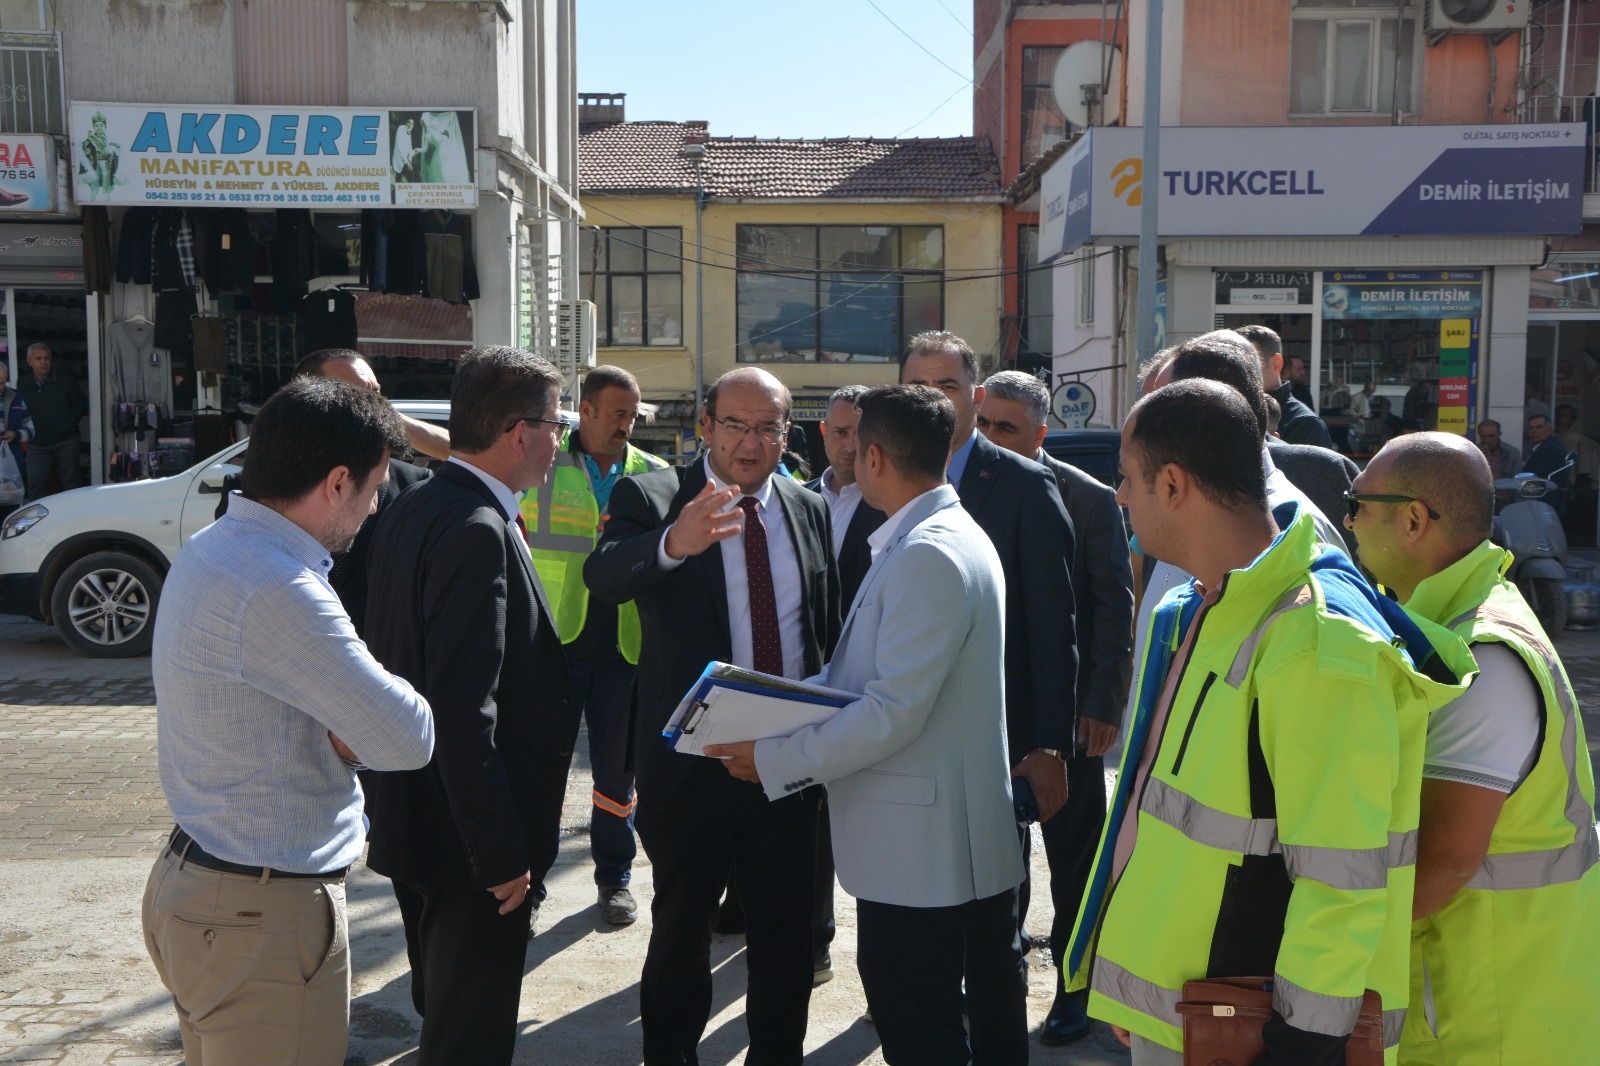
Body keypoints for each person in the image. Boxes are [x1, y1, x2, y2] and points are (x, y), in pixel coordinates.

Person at [1062, 379, 1473, 1066]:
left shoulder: (1317, 641)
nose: (1120, 496)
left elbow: (1341, 884)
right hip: (1190, 1018)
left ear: (1172, 484)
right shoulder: (1217, 606)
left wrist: (1297, 1052)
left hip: (1247, 1037)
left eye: (1126, 477)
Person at [707, 384, 1028, 1065]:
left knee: (922, 1035)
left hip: (923, 856)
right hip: (941, 847)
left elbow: (892, 711)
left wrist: (775, 759)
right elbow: (858, 679)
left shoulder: (928, 552)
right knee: (966, 1028)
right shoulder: (934, 536)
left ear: (874, 456)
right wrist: (767, 706)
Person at [142, 377, 434, 1066]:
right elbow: (407, 737)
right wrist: (373, 690)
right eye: (374, 488)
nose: (374, 507)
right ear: (337, 483)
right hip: (258, 913)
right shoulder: (279, 586)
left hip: (205, 887)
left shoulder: (218, 545)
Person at [584, 366, 841, 1066]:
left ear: (787, 434)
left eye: (767, 428)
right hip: (690, 766)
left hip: (786, 763)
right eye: (734, 425)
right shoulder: (654, 495)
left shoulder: (808, 507)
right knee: (682, 931)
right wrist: (674, 544)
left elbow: (824, 626)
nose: (750, 443)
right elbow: (603, 576)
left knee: (785, 938)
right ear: (705, 426)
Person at [1345, 432, 1600, 1065]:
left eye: (1358, 505)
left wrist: (1328, 953)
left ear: (1413, 520)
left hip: (1487, 1021)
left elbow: (1447, 860)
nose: (1348, 523)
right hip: (1483, 1001)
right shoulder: (1451, 624)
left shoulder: (1482, 655)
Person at [361, 347, 576, 1066]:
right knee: (469, 1036)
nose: (559, 441)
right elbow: (463, 707)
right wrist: (500, 853)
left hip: (422, 818)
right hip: (468, 841)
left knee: (448, 1014)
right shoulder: (476, 527)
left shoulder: (421, 503)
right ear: (519, 433)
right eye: (556, 424)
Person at [899, 332, 1079, 980]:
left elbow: (1054, 624)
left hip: (997, 739)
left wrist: (1050, 745)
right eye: (918, 386)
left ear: (975, 397)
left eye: (946, 386)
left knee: (991, 912)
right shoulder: (877, 481)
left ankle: (992, 1006)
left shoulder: (1024, 485)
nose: (931, 399)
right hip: (904, 737)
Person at [977, 370, 1133, 1046]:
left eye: (1006, 428)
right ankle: (996, 974)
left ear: (1041, 433)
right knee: (994, 856)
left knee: (1075, 861)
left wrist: (1102, 703)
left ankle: (1076, 986)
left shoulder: (1087, 499)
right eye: (983, 423)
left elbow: (1113, 607)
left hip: (1070, 721)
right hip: (991, 713)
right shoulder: (965, 488)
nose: (991, 437)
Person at [518, 364, 666, 926]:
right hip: (555, 642)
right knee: (542, 771)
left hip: (626, 647)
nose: (627, 425)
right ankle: (531, 884)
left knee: (617, 775)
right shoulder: (543, 462)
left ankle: (615, 879)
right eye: (618, 414)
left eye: (633, 415)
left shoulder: (652, 473)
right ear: (586, 411)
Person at [217, 348, 442, 631]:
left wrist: (379, 416)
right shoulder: (255, 490)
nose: (367, 404)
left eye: (375, 395)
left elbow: (471, 455)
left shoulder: (412, 483)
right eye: (351, 394)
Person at [803, 383, 885, 982]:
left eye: (859, 432)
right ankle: (813, 939)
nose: (849, 444)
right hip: (805, 679)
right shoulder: (798, 499)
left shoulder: (889, 507)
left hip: (866, 683)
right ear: (823, 433)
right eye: (839, 432)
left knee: (862, 819)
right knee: (807, 820)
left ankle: (879, 967)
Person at [1236, 324, 1332, 448]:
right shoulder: (1229, 412)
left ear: (1276, 363)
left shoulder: (1305, 424)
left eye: (1247, 362)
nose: (1237, 370)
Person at [18, 343, 86, 499]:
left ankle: (74, 513)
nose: (43, 362)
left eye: (47, 358)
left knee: (71, 483)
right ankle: (39, 515)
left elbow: (81, 405)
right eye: (38, 358)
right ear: (29, 362)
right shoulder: (22, 382)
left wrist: (67, 425)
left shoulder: (66, 380)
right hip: (37, 442)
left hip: (66, 440)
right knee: (35, 483)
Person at [0, 361, 33, 509]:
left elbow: (31, 430)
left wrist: (16, 435)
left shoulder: (16, 397)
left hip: (11, 466)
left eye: (2, 383)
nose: (0, 387)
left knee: (11, 511)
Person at [1522, 413, 1570, 483]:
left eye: (1539, 427)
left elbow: (1541, 478)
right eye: (1530, 428)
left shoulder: (1551, 449)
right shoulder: (1543, 446)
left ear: (1550, 429)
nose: (1533, 431)